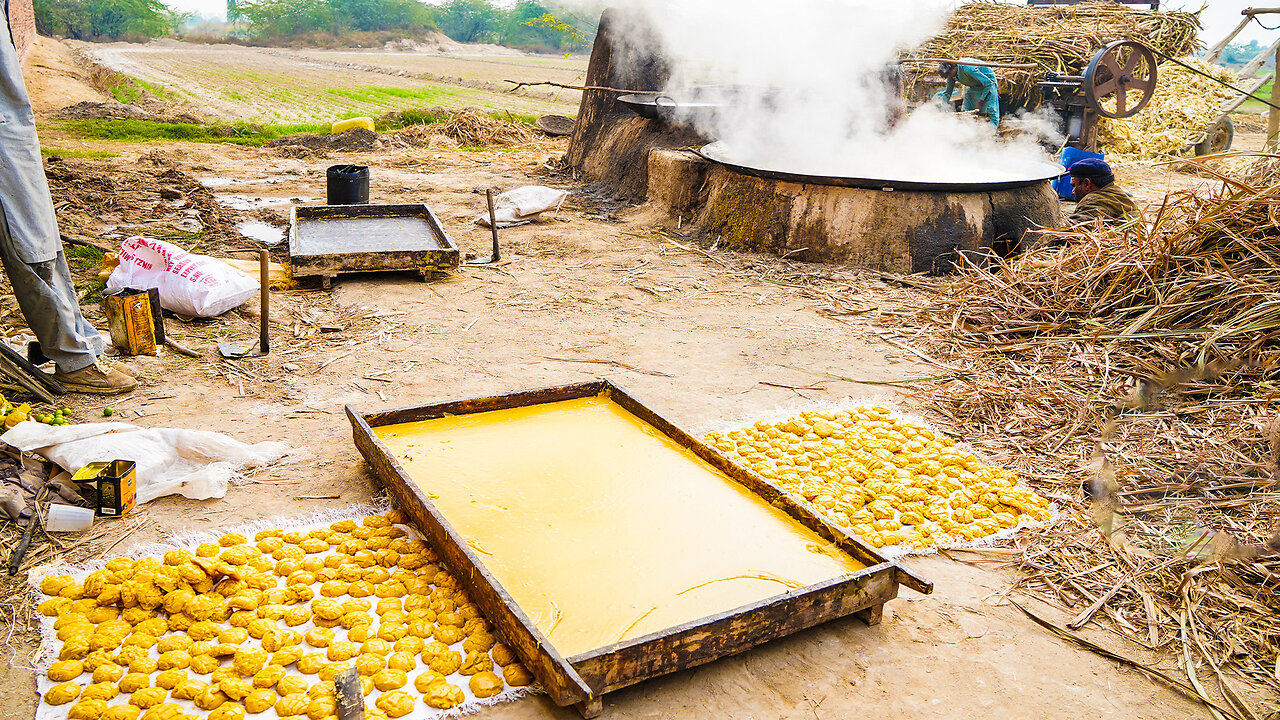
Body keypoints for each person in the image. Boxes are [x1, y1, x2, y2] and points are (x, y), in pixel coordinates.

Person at [0, 9, 135, 393]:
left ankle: (76, 349)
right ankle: (73, 359)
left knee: (39, 241)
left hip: (10, 129)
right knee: (30, 244)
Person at [1066, 158, 1137, 226]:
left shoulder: (1095, 202)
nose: (1073, 192)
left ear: (1087, 184)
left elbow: (1072, 229)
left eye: (1074, 185)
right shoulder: (1117, 194)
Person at [937, 61, 1000, 128]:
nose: (948, 76)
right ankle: (968, 132)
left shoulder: (967, 68)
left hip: (988, 83)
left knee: (991, 111)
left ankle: (993, 134)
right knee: (966, 111)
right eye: (947, 76)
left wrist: (980, 102)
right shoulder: (951, 75)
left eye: (949, 74)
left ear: (954, 68)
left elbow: (988, 83)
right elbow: (948, 92)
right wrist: (943, 106)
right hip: (973, 85)